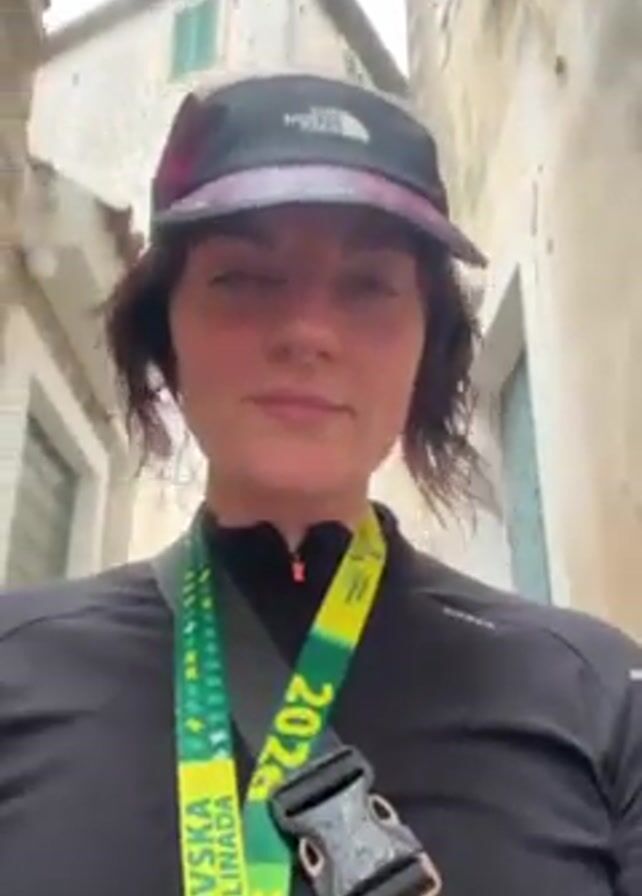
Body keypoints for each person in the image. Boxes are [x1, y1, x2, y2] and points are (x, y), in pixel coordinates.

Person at [0, 71, 640, 896]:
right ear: (165, 327)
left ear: (430, 344)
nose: (307, 332)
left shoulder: (598, 698)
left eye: (369, 285)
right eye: (244, 278)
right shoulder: (16, 667)